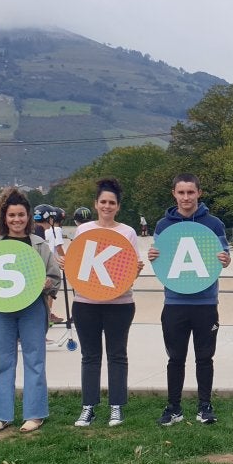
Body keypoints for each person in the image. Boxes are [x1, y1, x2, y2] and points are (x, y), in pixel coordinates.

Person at [0, 188, 61, 433]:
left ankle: (35, 414)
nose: (17, 220)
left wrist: (48, 284)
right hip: (2, 309)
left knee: (35, 359)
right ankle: (2, 415)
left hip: (32, 308)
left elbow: (55, 277)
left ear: (28, 216)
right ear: (5, 217)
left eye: (21, 215)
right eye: (12, 215)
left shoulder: (40, 245)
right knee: (2, 361)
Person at [150, 173, 232, 426]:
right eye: (181, 192)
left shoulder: (214, 224)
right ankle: (174, 407)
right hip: (174, 302)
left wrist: (225, 260)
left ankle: (204, 406)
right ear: (174, 194)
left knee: (204, 357)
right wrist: (154, 255)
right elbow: (160, 259)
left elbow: (224, 257)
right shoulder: (163, 225)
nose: (186, 197)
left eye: (190, 192)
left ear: (199, 193)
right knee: (175, 357)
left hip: (206, 302)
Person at [72, 178, 144, 428]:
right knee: (89, 356)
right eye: (103, 201)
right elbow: (78, 266)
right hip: (85, 303)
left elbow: (128, 272)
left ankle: (116, 407)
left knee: (117, 355)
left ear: (118, 206)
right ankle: (88, 407)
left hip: (120, 304)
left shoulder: (128, 232)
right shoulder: (84, 231)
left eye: (111, 202)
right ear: (95, 204)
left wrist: (136, 270)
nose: (107, 206)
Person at [37, 205, 68, 325]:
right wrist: (66, 259)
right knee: (51, 291)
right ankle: (48, 314)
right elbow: (58, 246)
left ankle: (46, 314)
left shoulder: (44, 231)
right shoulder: (56, 230)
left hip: (45, 260)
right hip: (52, 263)